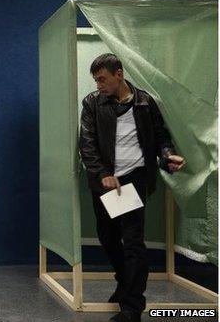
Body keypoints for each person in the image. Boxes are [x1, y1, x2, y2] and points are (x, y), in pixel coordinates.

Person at [79, 54, 186, 322]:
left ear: (119, 74)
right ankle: (125, 282)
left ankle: (132, 306)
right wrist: (103, 173)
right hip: (104, 182)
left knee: (133, 242)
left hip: (132, 181)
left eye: (102, 79)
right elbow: (87, 143)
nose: (98, 85)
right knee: (108, 236)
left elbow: (161, 137)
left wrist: (168, 155)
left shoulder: (144, 102)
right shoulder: (92, 103)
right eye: (95, 80)